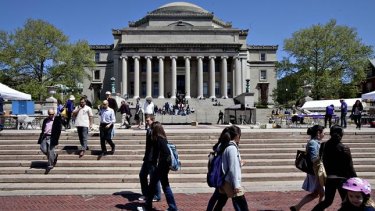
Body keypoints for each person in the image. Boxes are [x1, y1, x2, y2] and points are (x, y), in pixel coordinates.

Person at [312, 125, 357, 211]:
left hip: (329, 177)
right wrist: (356, 179)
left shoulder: (323, 145)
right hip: (342, 179)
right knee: (346, 201)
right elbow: (350, 168)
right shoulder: (345, 148)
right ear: (341, 134)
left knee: (328, 201)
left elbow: (320, 160)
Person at [208, 126, 249, 211]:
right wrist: (236, 185)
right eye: (240, 135)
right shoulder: (232, 148)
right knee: (242, 206)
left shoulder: (222, 145)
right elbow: (233, 168)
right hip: (230, 181)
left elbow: (227, 164)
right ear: (237, 135)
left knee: (220, 203)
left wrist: (239, 164)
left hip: (223, 180)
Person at [290, 125, 325, 211]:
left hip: (315, 171)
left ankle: (297, 207)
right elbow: (314, 158)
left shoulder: (315, 142)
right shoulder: (313, 143)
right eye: (323, 132)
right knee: (322, 193)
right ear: (318, 133)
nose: (324, 134)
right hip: (315, 171)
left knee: (318, 193)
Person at [144, 122, 177, 211]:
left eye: (152, 128)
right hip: (164, 165)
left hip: (162, 166)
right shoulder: (163, 138)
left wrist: (159, 164)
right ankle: (173, 207)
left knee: (152, 185)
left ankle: (148, 206)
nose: (151, 130)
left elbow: (165, 153)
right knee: (165, 185)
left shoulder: (158, 139)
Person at [138, 114, 161, 203]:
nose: (146, 122)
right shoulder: (149, 130)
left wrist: (156, 157)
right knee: (142, 175)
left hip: (153, 158)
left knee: (154, 177)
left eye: (148, 120)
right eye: (146, 121)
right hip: (147, 157)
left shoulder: (155, 130)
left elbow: (158, 145)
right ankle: (146, 193)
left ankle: (157, 195)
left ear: (152, 120)